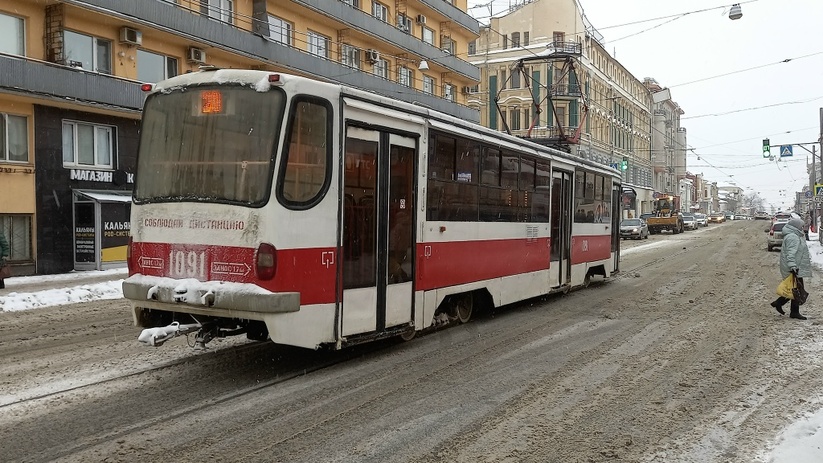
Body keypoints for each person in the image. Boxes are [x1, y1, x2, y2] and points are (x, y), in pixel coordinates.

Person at [770, 216, 811, 320]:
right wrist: (793, 266)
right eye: (801, 226)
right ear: (796, 227)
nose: (803, 228)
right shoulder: (793, 237)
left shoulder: (794, 235)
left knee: (794, 288)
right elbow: (790, 254)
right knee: (796, 289)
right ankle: (793, 311)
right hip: (793, 267)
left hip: (794, 266)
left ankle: (780, 303)